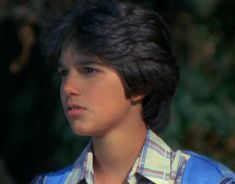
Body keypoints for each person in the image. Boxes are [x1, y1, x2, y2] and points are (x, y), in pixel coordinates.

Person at [32, 0, 235, 183]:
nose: (68, 87)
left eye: (89, 70)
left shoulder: (208, 180)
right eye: (64, 72)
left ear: (140, 83)